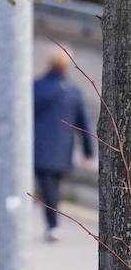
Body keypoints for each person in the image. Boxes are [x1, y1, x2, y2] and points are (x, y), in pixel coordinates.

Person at [34, 50, 95, 242]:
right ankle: (52, 224)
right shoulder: (73, 91)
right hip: (62, 149)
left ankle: (52, 225)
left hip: (39, 146)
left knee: (47, 187)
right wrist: (88, 152)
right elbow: (83, 124)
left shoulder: (36, 87)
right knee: (53, 186)